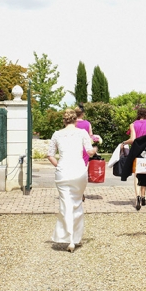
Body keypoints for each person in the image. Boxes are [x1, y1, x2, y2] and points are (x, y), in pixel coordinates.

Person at [47, 108, 97, 252]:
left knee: (65, 203)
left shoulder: (57, 134)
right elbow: (89, 152)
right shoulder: (82, 133)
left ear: (64, 120)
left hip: (63, 171)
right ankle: (74, 238)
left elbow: (50, 155)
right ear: (76, 120)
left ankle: (68, 238)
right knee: (76, 203)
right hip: (78, 171)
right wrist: (95, 148)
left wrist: (58, 165)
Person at [122, 106, 146, 210]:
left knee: (137, 175)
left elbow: (133, 139)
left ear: (138, 114)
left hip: (137, 152)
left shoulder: (133, 124)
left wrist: (124, 142)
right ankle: (143, 197)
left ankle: (137, 196)